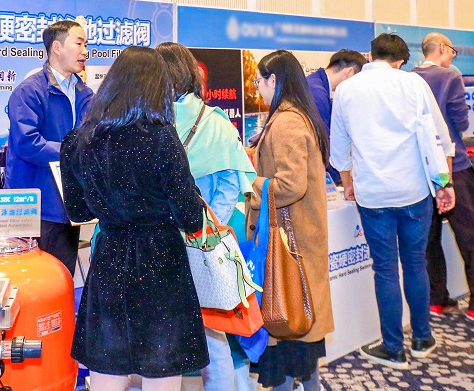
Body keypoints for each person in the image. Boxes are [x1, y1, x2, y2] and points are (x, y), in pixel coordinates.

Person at [61, 46, 209, 391]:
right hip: (162, 264)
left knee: (108, 365)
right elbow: (191, 218)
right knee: (162, 368)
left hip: (109, 259)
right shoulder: (162, 138)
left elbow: (79, 212)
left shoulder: (78, 141)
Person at [330, 33, 456, 370]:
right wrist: (445, 183)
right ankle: (422, 339)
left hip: (373, 194)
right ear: (400, 61)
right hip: (414, 191)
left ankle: (393, 348)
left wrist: (348, 183)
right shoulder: (413, 84)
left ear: (370, 55)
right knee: (415, 264)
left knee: (385, 269)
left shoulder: (347, 90)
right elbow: (439, 135)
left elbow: (338, 148)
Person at [157, 42, 256, 391]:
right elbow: (231, 184)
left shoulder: (151, 123)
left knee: (161, 335)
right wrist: (209, 230)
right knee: (213, 335)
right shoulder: (217, 122)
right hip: (203, 242)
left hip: (160, 242)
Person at [246, 50, 334, 390]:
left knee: (286, 333)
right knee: (300, 336)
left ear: (273, 80)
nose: (257, 88)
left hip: (287, 244)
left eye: (259, 81)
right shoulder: (298, 116)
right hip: (298, 241)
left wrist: (251, 183)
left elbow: (290, 185)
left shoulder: (286, 122)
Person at [5, 20, 94, 275]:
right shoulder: (29, 91)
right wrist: (71, 152)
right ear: (57, 47)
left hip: (69, 205)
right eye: (79, 43)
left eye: (86, 44)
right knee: (32, 282)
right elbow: (27, 143)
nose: (85, 51)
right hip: (35, 208)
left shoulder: (85, 94)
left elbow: (90, 140)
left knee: (62, 278)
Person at [413, 32, 474, 322]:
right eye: (452, 51)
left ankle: (436, 300)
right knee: (469, 236)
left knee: (429, 239)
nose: (453, 56)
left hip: (421, 170)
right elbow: (461, 122)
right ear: (440, 48)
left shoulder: (409, 78)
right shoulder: (451, 77)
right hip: (454, 167)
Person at [306, 49, 367, 183]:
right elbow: (324, 141)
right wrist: (342, 177)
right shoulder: (316, 92)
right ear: (349, 72)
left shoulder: (316, 85)